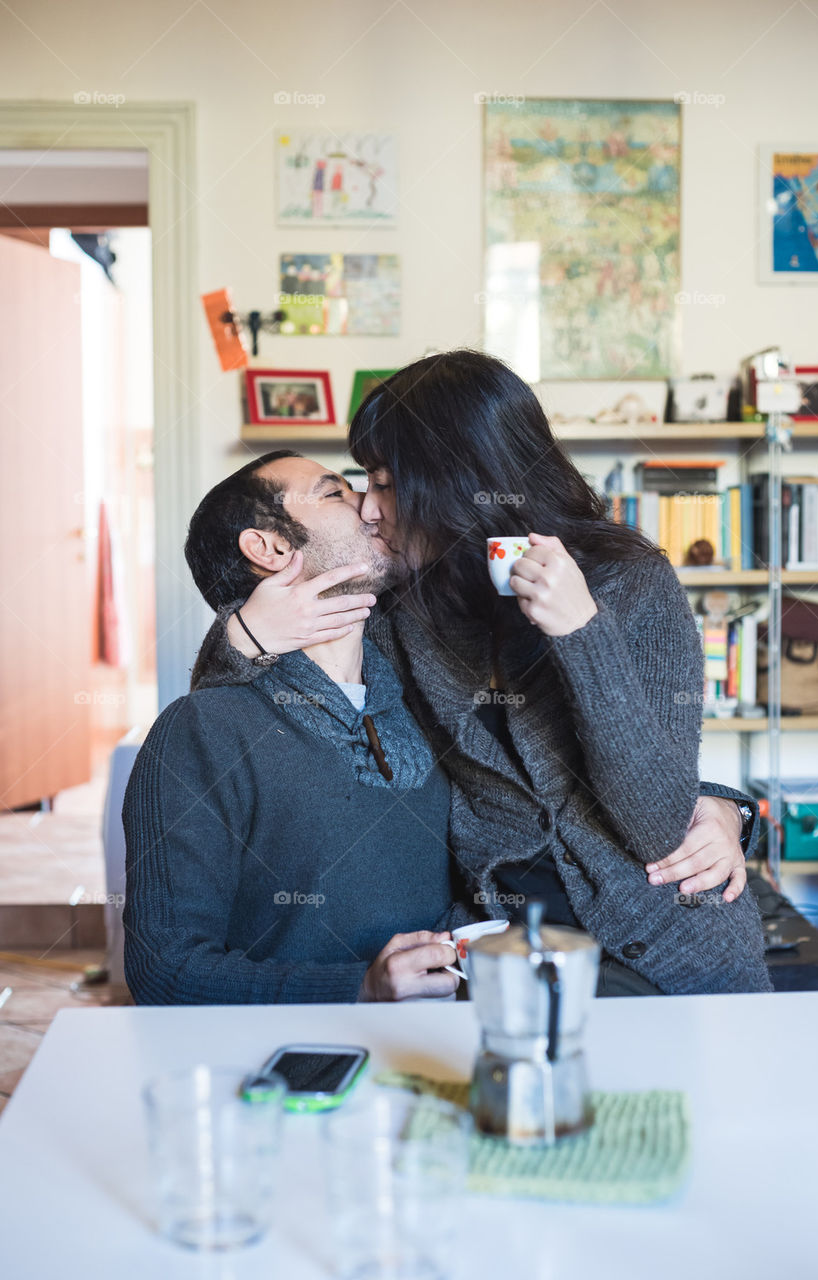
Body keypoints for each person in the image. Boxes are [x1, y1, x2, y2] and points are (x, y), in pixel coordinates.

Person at [193, 351, 772, 995]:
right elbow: (226, 723)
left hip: (676, 949)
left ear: (453, 481)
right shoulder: (399, 610)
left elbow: (655, 824)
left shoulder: (630, 583)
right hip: (503, 957)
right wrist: (246, 635)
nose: (369, 508)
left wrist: (583, 634)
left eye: (384, 483)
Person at [122, 452, 466, 1005]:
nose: (370, 505)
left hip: (438, 1055)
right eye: (335, 493)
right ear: (272, 548)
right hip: (288, 1070)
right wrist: (359, 988)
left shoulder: (426, 690)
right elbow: (166, 971)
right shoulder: (201, 732)